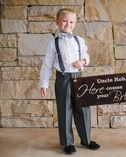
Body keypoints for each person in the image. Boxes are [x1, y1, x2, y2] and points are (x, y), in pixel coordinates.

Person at [40, 8, 100, 155]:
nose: (68, 24)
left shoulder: (79, 40)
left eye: (71, 21)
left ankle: (86, 139)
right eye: (65, 21)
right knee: (64, 110)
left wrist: (83, 61)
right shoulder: (53, 43)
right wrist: (44, 83)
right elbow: (47, 64)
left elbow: (87, 56)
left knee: (84, 109)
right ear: (58, 22)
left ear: (75, 23)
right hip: (63, 79)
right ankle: (68, 143)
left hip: (79, 78)